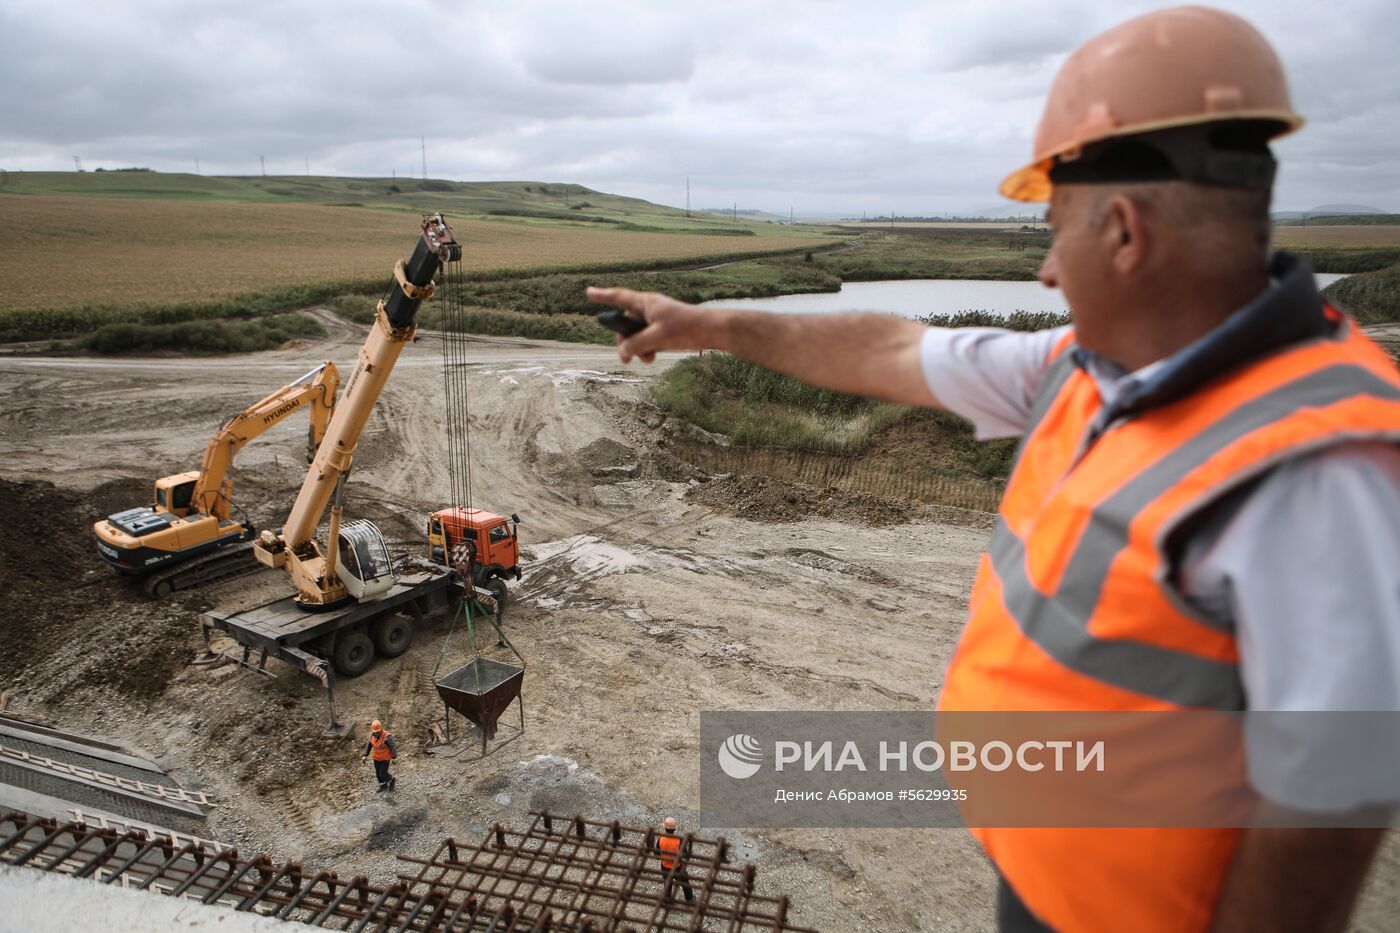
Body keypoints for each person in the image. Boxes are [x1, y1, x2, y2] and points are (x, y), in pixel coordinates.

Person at [586, 7, 1400, 932]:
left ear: (1126, 232)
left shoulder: (1318, 458)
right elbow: (891, 346)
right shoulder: (1085, 367)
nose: (1047, 271)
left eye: (1053, 231)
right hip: (1044, 876)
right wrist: (706, 324)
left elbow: (1331, 797)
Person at [655, 816, 695, 903]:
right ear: (674, 829)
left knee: (668, 884)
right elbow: (685, 854)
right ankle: (690, 900)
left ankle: (667, 900)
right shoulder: (678, 840)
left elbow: (656, 854)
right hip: (678, 867)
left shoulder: (661, 839)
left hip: (665, 866)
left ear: (665, 828)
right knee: (685, 883)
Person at [362, 718, 397, 792]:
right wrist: (365, 755)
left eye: (378, 731)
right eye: (375, 732)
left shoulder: (387, 736)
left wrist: (394, 757)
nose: (377, 733)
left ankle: (391, 780)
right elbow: (369, 746)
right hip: (376, 758)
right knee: (378, 774)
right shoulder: (372, 736)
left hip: (385, 759)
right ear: (372, 731)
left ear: (381, 729)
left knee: (382, 773)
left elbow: (392, 746)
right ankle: (383, 786)